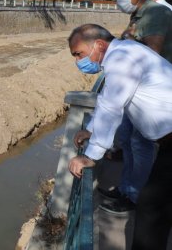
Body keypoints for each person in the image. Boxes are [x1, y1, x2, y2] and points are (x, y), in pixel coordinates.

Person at [67, 24, 172, 249]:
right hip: (166, 141)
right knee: (156, 206)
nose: (78, 61)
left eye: (79, 54)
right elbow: (107, 97)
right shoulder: (124, 52)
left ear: (100, 45)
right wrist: (92, 130)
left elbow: (113, 107)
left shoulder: (122, 59)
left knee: (151, 207)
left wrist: (91, 155)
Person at [91, 0, 172, 214]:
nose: (120, 0)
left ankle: (135, 197)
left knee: (139, 144)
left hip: (150, 95)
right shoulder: (138, 15)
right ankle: (126, 188)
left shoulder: (155, 13)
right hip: (138, 91)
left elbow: (150, 51)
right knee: (127, 140)